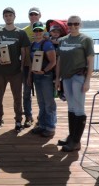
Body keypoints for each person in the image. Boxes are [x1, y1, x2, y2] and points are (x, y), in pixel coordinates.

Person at [56, 15, 94, 152]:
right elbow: (59, 61)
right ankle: (71, 137)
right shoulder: (62, 40)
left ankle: (76, 142)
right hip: (66, 78)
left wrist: (88, 81)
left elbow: (90, 61)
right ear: (67, 25)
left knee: (79, 109)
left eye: (76, 23)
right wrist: (57, 79)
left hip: (78, 77)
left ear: (80, 24)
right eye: (70, 24)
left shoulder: (86, 40)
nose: (73, 26)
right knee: (71, 108)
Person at [0, 7, 30, 132]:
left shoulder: (21, 33)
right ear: (3, 17)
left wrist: (22, 66)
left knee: (17, 97)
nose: (8, 17)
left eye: (10, 15)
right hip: (0, 71)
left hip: (15, 71)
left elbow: (24, 51)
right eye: (6, 15)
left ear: (14, 16)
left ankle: (18, 120)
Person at [28, 22, 57, 137]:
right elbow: (31, 63)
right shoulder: (32, 44)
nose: (38, 33)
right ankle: (42, 125)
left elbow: (53, 61)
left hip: (46, 77)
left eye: (40, 30)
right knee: (41, 102)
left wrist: (44, 71)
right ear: (33, 32)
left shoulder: (47, 44)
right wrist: (30, 77)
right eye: (36, 31)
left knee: (49, 102)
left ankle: (50, 127)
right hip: (36, 77)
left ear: (43, 31)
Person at [21, 7, 44, 128]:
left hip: (42, 68)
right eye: (31, 15)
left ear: (40, 15)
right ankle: (28, 117)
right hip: (26, 66)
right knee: (26, 93)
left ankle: (41, 117)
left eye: (36, 14)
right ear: (28, 16)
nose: (33, 16)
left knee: (42, 94)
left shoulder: (45, 30)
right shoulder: (23, 31)